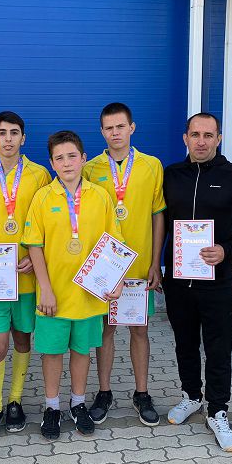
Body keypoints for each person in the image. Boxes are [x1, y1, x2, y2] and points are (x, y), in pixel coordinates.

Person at [162, 112, 232, 452]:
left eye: (208, 135)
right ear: (185, 138)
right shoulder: (171, 175)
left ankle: (218, 410)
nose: (201, 141)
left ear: (219, 138)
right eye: (195, 134)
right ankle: (191, 395)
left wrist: (226, 249)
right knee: (184, 344)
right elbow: (158, 221)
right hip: (179, 281)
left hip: (218, 283)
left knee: (218, 349)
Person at [22, 130, 124, 440]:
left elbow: (114, 243)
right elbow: (34, 245)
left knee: (82, 350)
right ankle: (52, 407)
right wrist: (45, 288)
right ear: (52, 163)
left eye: (72, 156)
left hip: (89, 294)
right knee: (52, 352)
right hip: (53, 295)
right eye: (59, 158)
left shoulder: (100, 196)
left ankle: (77, 403)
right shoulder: (43, 197)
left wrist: (117, 280)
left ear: (83, 158)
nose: (66, 163)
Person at [83, 103, 165, 427]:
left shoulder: (151, 165)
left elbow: (158, 215)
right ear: (102, 131)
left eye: (120, 126)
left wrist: (156, 262)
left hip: (140, 267)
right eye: (109, 128)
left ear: (132, 128)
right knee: (105, 330)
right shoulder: (90, 168)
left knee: (139, 330)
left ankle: (142, 393)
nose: (115, 133)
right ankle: (104, 392)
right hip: (107, 268)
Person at [0, 111, 51, 439]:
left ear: (23, 138)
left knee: (22, 339)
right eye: (2, 133)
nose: (8, 139)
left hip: (26, 275)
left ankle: (15, 400)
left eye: (14, 132)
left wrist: (35, 257)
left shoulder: (39, 174)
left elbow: (47, 224)